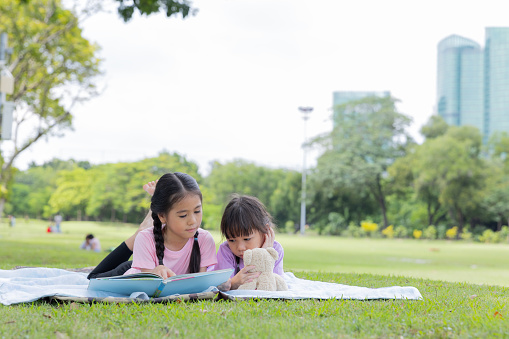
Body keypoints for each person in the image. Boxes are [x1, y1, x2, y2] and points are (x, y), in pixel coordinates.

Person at [87, 173, 217, 280]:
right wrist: (155, 271)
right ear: (162, 216)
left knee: (144, 237)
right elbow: (150, 287)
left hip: (145, 260)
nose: (192, 221)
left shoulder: (204, 239)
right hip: (133, 272)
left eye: (197, 211)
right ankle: (147, 222)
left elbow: (202, 282)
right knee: (93, 278)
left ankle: (156, 205)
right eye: (183, 215)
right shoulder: (145, 239)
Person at [214, 194, 285, 290]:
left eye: (247, 239)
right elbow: (220, 285)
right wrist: (233, 283)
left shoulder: (274, 250)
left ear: (265, 230)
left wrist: (262, 254)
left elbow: (275, 285)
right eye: (232, 240)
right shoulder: (226, 250)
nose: (240, 247)